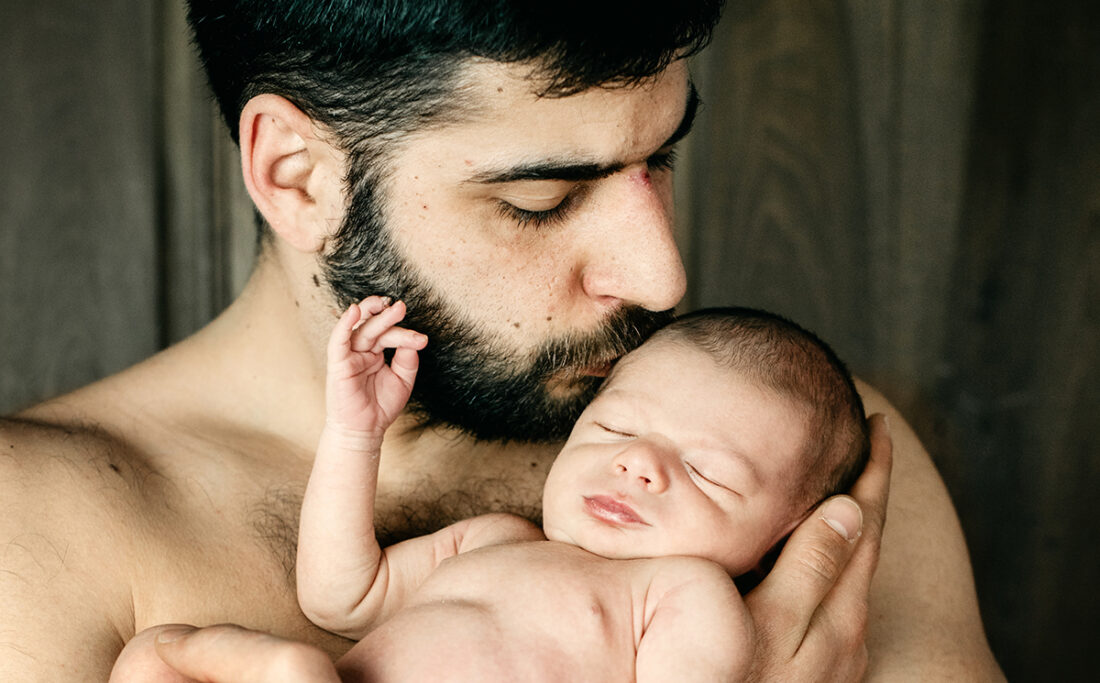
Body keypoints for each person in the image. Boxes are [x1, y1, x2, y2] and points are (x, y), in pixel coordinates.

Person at [1, 1, 1001, 680]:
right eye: (541, 196)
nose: (661, 277)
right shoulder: (39, 532)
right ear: (298, 175)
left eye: (659, 160)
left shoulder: (804, 462)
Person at [112, 302, 871, 681]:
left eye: (708, 472)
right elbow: (338, 597)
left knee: (293, 670)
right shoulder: (494, 537)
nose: (639, 465)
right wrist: (354, 433)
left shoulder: (682, 593)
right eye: (613, 430)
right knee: (156, 656)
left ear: (783, 536)